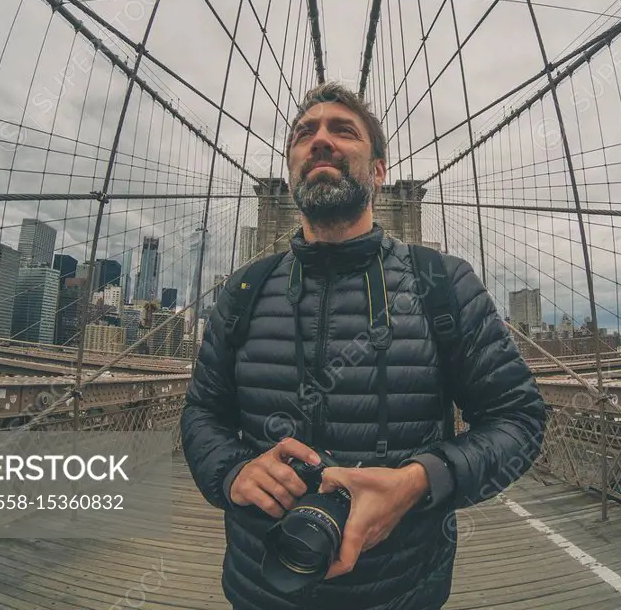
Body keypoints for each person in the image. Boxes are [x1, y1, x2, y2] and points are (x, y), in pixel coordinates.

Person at [182, 81, 545, 610]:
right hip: (262, 585)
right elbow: (201, 413)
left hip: (403, 590)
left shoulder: (444, 284)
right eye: (304, 133)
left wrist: (419, 483)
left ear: (379, 172)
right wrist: (232, 471)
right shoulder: (244, 289)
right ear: (290, 173)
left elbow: (519, 418)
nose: (320, 140)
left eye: (343, 131)